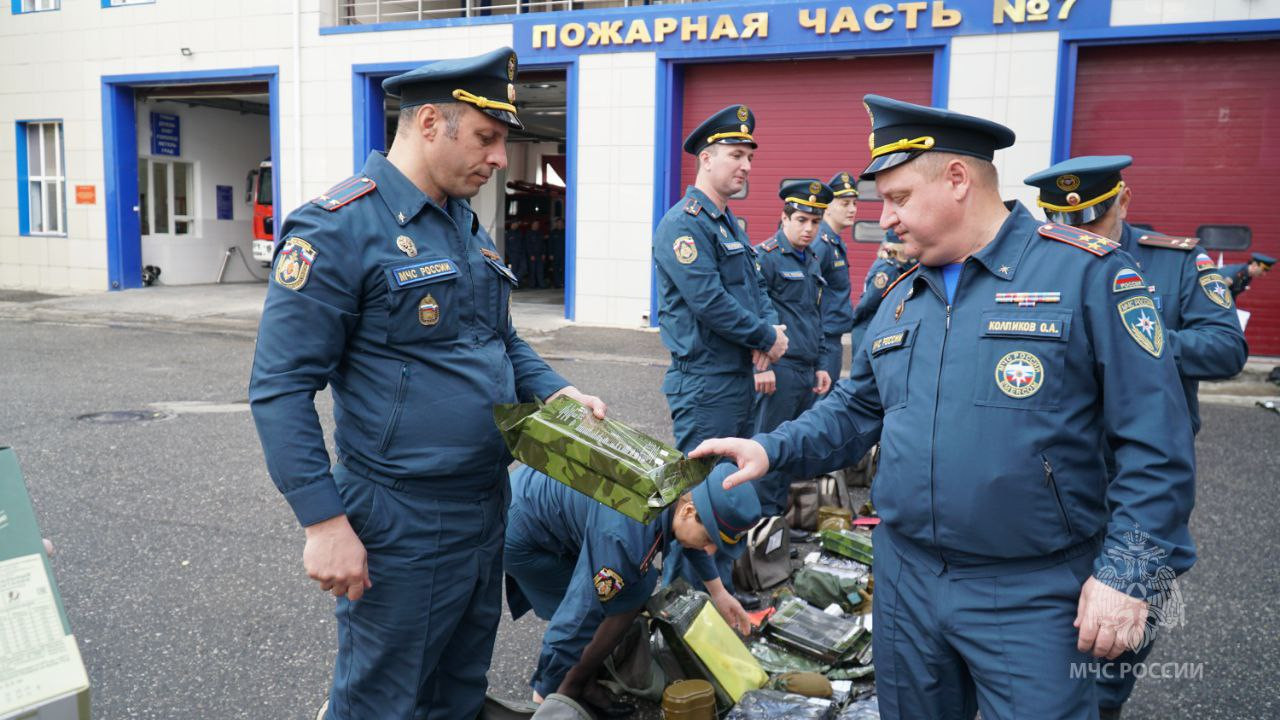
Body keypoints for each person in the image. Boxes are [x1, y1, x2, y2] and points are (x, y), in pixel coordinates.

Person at [691, 95, 1197, 720]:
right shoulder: (905, 295)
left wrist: (1128, 576)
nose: (887, 218)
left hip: (1031, 590)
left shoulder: (1087, 275)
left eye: (899, 197)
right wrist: (771, 448)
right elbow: (856, 409)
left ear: (957, 179)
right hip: (906, 581)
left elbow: (1158, 446)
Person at [248, 47, 607, 720]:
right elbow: (280, 387)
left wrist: (555, 390)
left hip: (483, 506)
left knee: (457, 692)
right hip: (400, 518)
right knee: (384, 699)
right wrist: (323, 522)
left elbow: (498, 338)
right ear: (431, 123)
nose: (500, 157)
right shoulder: (339, 228)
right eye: (487, 138)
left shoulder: (463, 225)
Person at [1025, 156, 1247, 717]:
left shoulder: (1174, 261)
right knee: (1045, 647)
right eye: (1060, 223)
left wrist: (1132, 338)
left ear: (1123, 202)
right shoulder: (1032, 260)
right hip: (1053, 480)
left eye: (1091, 224)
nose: (1076, 239)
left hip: (1140, 475)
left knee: (1113, 649)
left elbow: (1226, 348)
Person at [504, 463, 761, 713]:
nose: (710, 550)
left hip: (543, 490)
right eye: (709, 539)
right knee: (596, 608)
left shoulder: (682, 482)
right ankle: (566, 689)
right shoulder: (624, 542)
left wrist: (719, 592)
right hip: (525, 531)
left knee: (637, 586)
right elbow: (575, 618)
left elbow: (692, 536)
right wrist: (541, 701)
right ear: (687, 511)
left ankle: (580, 680)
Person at [652, 104, 787, 454]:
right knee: (701, 496)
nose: (746, 166)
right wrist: (766, 336)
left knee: (731, 486)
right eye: (736, 155)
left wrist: (770, 333)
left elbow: (757, 287)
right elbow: (709, 301)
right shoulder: (684, 223)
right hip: (705, 384)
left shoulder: (727, 223)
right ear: (707, 158)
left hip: (737, 376)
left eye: (750, 158)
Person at [748, 179, 835, 515]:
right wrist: (762, 368)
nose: (808, 228)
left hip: (805, 370)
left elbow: (814, 314)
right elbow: (755, 314)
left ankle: (778, 526)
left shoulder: (811, 259)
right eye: (801, 220)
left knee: (794, 450)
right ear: (784, 219)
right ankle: (759, 527)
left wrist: (823, 364)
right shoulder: (765, 257)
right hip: (779, 371)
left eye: (815, 221)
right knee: (767, 448)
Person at [814, 171, 858, 386]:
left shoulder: (834, 242)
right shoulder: (820, 244)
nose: (852, 209)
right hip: (822, 341)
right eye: (844, 203)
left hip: (832, 339)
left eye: (854, 203)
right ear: (828, 206)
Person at [848, 231, 912, 356]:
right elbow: (870, 301)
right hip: (868, 326)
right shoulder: (888, 269)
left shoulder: (895, 266)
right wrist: (855, 318)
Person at [527, 217, 549, 289]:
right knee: (532, 271)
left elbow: (543, 244)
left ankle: (541, 284)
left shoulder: (540, 233)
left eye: (537, 224)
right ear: (532, 225)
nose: (536, 225)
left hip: (540, 255)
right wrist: (531, 255)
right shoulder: (529, 233)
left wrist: (543, 253)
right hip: (532, 255)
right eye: (535, 224)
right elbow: (527, 245)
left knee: (540, 270)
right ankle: (532, 285)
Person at [548, 216, 566, 288]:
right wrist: (550, 254)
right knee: (556, 269)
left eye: (561, 223)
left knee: (564, 269)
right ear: (556, 224)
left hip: (564, 254)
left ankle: (564, 283)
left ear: (563, 224)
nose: (559, 224)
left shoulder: (566, 231)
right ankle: (557, 284)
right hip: (555, 254)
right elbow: (550, 244)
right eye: (558, 223)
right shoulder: (553, 232)